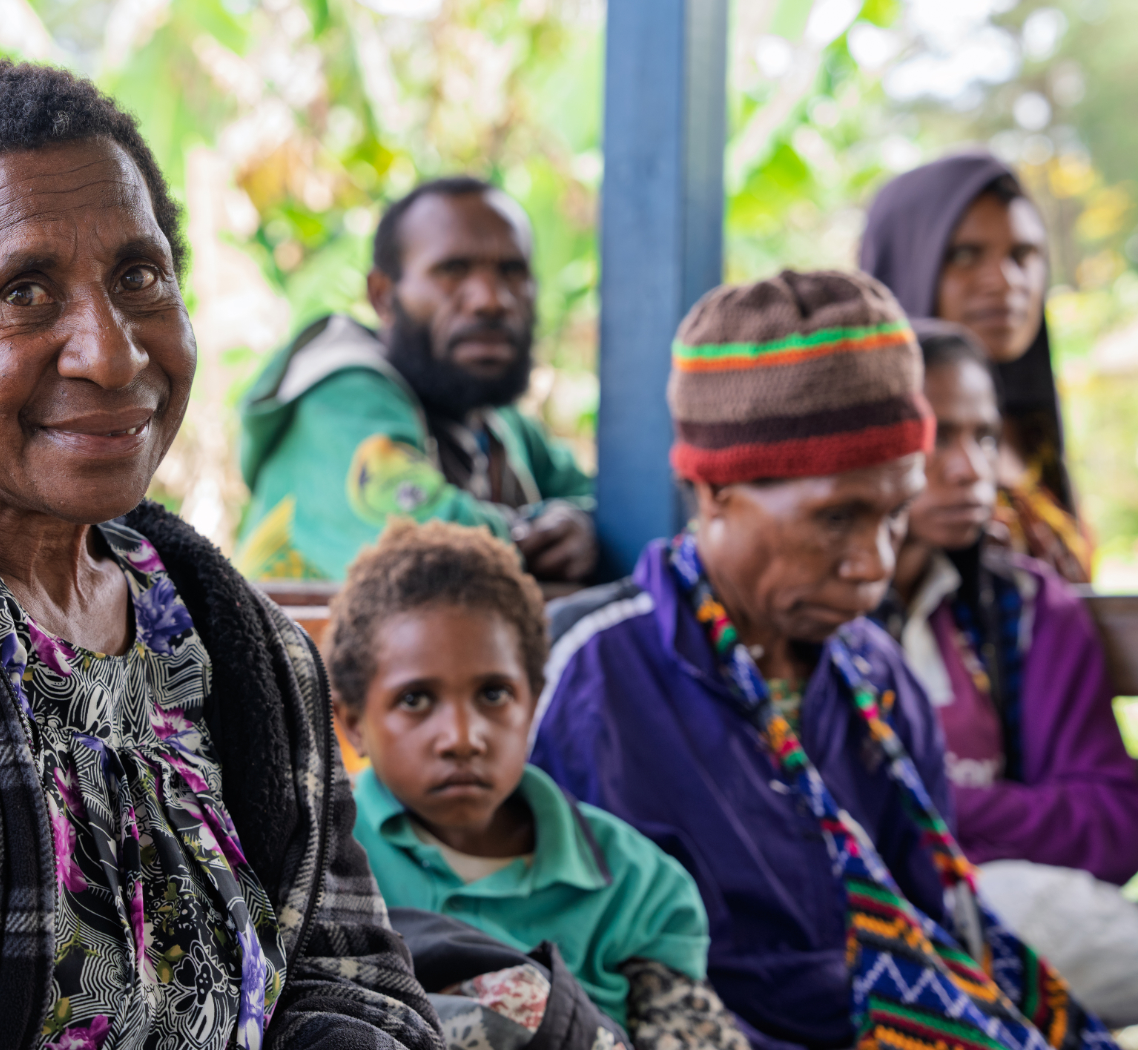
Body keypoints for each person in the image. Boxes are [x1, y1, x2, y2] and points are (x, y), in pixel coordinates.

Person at [0, 62, 442, 1050]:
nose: (110, 355)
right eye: (25, 293)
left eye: (138, 278)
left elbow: (354, 979)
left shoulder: (241, 646)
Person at [531, 271, 1116, 1050]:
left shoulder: (878, 679)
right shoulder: (590, 679)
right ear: (714, 490)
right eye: (837, 518)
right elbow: (563, 977)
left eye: (896, 514)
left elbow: (928, 936)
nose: (874, 564)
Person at [327, 519, 747, 1050]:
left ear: (533, 701)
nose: (462, 738)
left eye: (494, 694)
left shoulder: (637, 887)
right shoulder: (321, 863)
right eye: (415, 700)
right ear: (354, 721)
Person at [876, 319, 1138, 1025]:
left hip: (1009, 922)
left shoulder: (1026, 609)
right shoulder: (817, 614)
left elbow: (1113, 821)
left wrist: (936, 810)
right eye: (940, 437)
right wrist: (1010, 814)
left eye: (986, 437)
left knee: (1019, 909)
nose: (973, 469)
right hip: (874, 938)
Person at [235, 177, 596, 583]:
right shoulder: (339, 399)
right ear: (382, 295)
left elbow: (617, 507)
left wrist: (583, 522)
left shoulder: (500, 426)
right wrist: (554, 533)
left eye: (512, 271)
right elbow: (430, 549)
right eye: (453, 270)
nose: (491, 299)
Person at [860, 151, 1093, 582]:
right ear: (909, 260)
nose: (1005, 282)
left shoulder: (1035, 442)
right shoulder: (854, 465)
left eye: (1023, 255)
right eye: (966, 255)